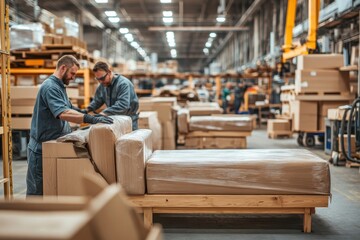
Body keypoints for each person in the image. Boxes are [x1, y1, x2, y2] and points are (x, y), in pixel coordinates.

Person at [27, 55, 113, 196]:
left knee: (52, 190)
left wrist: (92, 115)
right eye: (72, 73)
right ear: (63, 68)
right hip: (41, 150)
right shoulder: (50, 87)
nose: (73, 77)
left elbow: (70, 108)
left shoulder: (60, 87)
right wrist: (90, 119)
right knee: (38, 192)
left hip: (53, 145)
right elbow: (63, 113)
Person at [85, 61, 139, 130]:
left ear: (109, 72)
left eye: (102, 78)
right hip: (115, 121)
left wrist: (103, 113)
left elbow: (123, 105)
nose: (100, 82)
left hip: (129, 122)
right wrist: (87, 110)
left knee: (128, 141)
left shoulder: (123, 84)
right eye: (98, 79)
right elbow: (97, 101)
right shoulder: (102, 85)